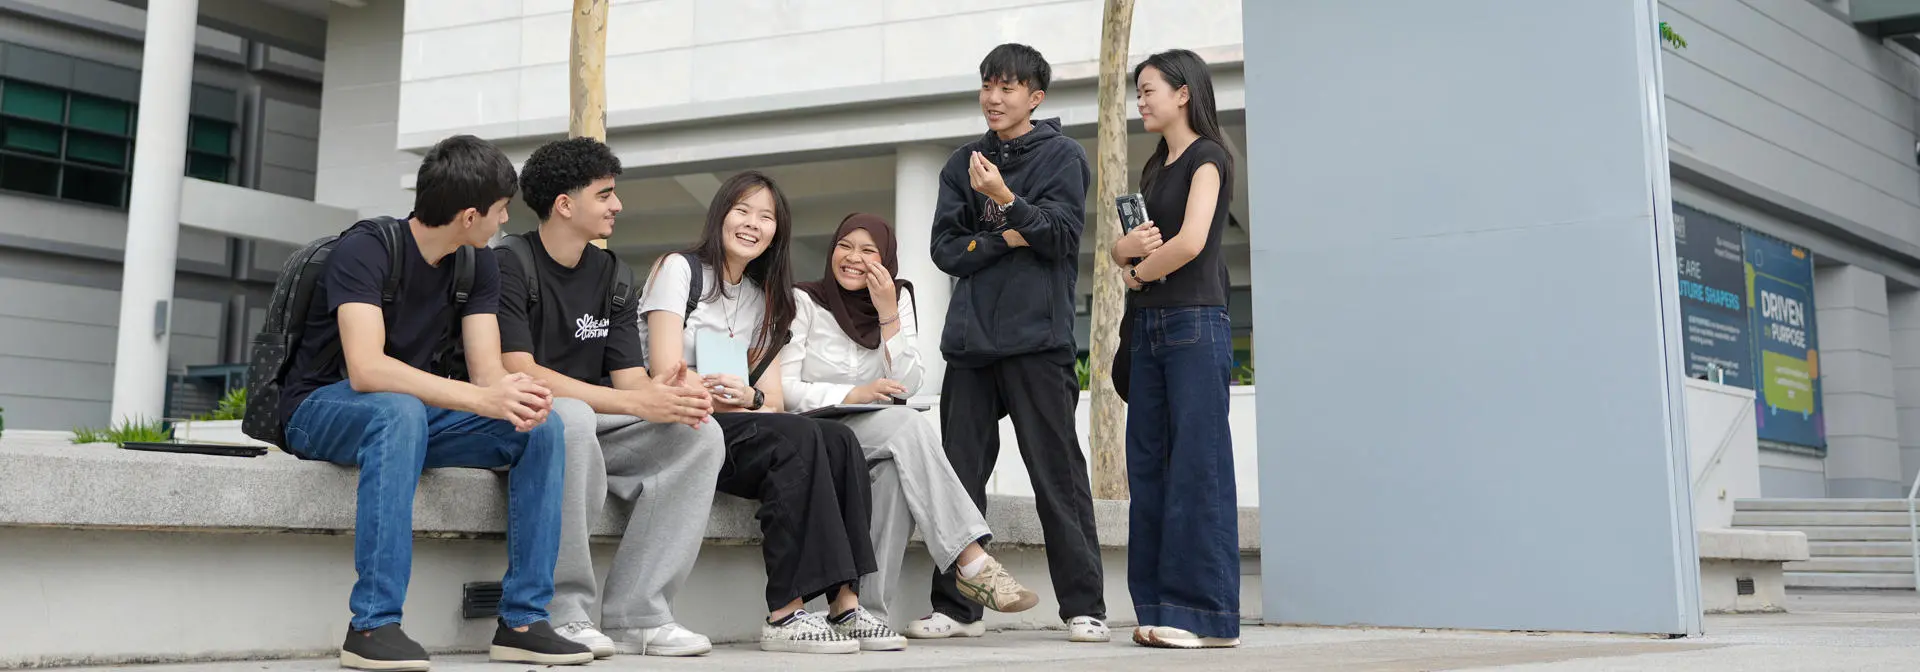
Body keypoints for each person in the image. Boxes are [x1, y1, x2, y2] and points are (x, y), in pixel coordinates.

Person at [276, 135, 593, 670]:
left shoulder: (478, 267)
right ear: (469, 216)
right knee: (397, 409)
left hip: (410, 414)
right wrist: (479, 396)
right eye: (499, 212)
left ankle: (523, 621)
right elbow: (366, 367)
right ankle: (372, 626)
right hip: (322, 408)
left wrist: (516, 397)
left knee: (539, 426)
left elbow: (488, 372)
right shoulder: (368, 248)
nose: (503, 222)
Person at [639, 170, 904, 654]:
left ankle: (845, 604)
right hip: (682, 423)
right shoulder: (679, 270)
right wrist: (724, 394)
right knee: (796, 439)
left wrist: (749, 398)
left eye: (766, 217)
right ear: (720, 214)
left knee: (838, 439)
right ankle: (785, 610)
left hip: (737, 422)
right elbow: (662, 373)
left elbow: (774, 401)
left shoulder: (765, 300)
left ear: (777, 232)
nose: (752, 224)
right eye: (742, 211)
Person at [494, 137, 727, 658]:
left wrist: (669, 395)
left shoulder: (613, 275)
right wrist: (636, 404)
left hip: (595, 421)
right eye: (605, 195)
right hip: (527, 421)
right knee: (571, 418)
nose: (617, 205)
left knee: (700, 435)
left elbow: (628, 381)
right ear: (565, 205)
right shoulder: (509, 263)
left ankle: (639, 615)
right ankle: (564, 611)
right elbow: (518, 368)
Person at [922, 42, 1109, 643]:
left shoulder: (1063, 157)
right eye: (986, 85)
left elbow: (1058, 237)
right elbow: (946, 251)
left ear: (1036, 96)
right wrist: (1007, 236)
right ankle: (956, 609)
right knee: (959, 478)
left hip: (1038, 343)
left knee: (1057, 476)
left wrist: (1003, 201)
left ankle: (1086, 607)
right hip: (971, 346)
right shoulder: (961, 163)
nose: (993, 98)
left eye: (1007, 87)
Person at [782, 213, 1040, 628]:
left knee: (896, 476)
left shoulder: (897, 298)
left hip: (872, 435)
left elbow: (907, 383)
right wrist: (852, 394)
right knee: (909, 427)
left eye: (868, 251)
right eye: (844, 247)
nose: (853, 259)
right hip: (814, 430)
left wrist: (888, 316)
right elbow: (786, 391)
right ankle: (972, 559)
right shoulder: (805, 301)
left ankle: (862, 612)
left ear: (885, 259)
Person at [1111, 49, 1242, 650]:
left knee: (1198, 468)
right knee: (1150, 472)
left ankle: (1204, 615)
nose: (1141, 100)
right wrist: (1124, 253)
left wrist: (1137, 274)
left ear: (1184, 92)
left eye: (1149, 89)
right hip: (1150, 330)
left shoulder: (1208, 157)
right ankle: (1160, 607)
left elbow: (1190, 243)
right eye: (1138, 92)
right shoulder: (1154, 169)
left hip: (1193, 324)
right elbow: (1130, 248)